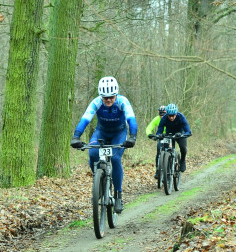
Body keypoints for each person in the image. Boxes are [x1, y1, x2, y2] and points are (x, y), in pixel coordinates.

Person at [70, 76, 137, 213]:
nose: (108, 100)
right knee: (93, 153)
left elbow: (131, 119)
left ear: (116, 94)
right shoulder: (96, 102)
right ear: (101, 96)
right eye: (105, 97)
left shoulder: (123, 102)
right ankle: (98, 183)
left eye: (111, 97)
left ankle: (118, 195)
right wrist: (76, 136)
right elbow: (85, 119)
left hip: (119, 133)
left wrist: (132, 137)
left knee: (115, 158)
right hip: (101, 132)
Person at [156, 103, 191, 172]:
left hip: (180, 133)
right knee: (164, 148)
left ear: (176, 113)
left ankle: (182, 160)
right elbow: (159, 131)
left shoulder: (181, 117)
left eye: (173, 115)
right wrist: (159, 135)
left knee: (183, 148)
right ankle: (164, 166)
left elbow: (188, 131)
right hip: (169, 134)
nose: (171, 117)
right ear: (167, 114)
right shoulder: (164, 118)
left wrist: (184, 134)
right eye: (169, 116)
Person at [146, 105, 166, 177]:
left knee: (171, 150)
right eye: (160, 114)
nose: (162, 116)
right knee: (159, 150)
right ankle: (158, 169)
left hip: (169, 136)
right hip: (160, 136)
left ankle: (171, 164)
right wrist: (150, 134)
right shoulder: (156, 119)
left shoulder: (169, 118)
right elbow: (149, 127)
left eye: (163, 114)